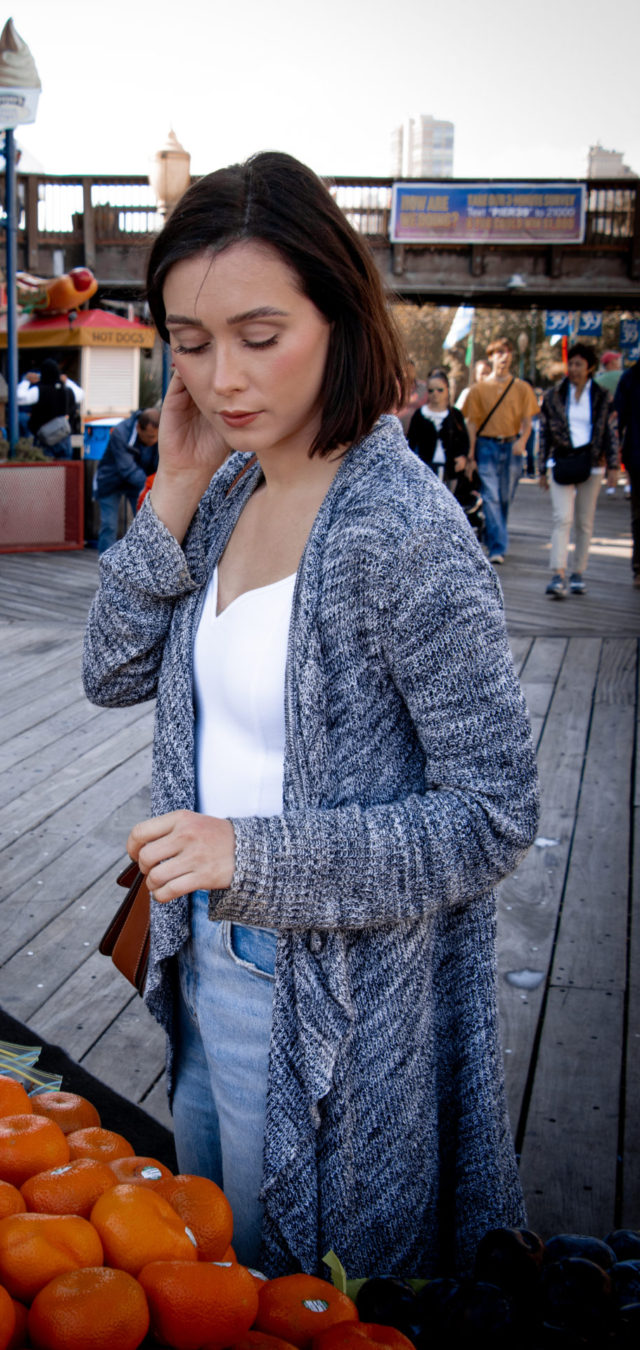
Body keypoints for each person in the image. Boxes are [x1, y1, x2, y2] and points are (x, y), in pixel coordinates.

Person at [82, 152, 538, 1281]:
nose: (223, 376)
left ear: (337, 314)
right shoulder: (231, 482)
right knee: (218, 1265)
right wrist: (175, 489)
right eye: (190, 342)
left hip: (332, 993)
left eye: (258, 333)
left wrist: (252, 853)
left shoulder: (403, 531)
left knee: (306, 1286)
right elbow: (111, 669)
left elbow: (494, 817)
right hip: (204, 957)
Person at [539, 343, 619, 598]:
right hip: (562, 460)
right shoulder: (554, 396)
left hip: (592, 462)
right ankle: (557, 573)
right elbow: (545, 433)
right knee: (562, 517)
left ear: (590, 368)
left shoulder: (601, 396)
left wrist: (613, 466)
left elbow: (609, 432)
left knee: (584, 521)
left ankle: (578, 573)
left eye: (579, 364)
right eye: (570, 364)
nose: (573, 369)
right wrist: (541, 468)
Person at [463, 338, 539, 564]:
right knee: (491, 497)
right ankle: (497, 547)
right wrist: (471, 454)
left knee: (504, 497)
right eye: (498, 353)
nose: (503, 357)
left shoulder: (521, 388)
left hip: (511, 445)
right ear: (491, 356)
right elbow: (472, 424)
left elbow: (528, 421)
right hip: (486, 446)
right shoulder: (478, 389)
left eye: (506, 352)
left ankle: (494, 535)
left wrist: (523, 441)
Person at [94, 408, 160, 553]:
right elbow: (127, 468)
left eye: (156, 437)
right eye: (149, 437)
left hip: (138, 482)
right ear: (138, 428)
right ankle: (107, 566)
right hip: (110, 480)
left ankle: (145, 560)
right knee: (109, 525)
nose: (153, 441)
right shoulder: (121, 432)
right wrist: (149, 485)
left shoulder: (161, 435)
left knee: (145, 522)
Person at [405, 367, 469, 482]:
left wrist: (462, 456)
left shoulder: (455, 415)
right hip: (425, 468)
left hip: (450, 469)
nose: (435, 394)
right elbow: (411, 441)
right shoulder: (420, 414)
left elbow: (463, 440)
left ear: (447, 390)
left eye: (440, 390)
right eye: (431, 390)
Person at [613, 360, 640, 585]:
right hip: (637, 456)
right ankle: (639, 567)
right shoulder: (631, 377)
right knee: (638, 515)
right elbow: (619, 419)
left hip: (635, 453)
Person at [27, 358, 76, 459]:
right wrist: (67, 381)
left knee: (47, 471)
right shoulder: (66, 390)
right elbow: (80, 394)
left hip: (45, 436)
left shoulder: (39, 390)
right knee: (65, 470)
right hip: (63, 435)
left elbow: (19, 397)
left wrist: (25, 381)